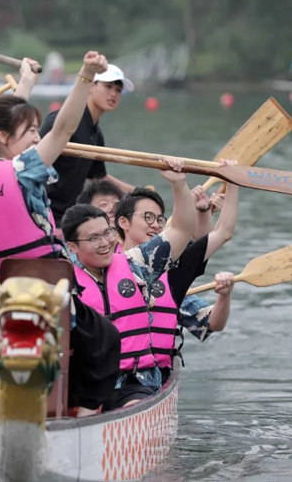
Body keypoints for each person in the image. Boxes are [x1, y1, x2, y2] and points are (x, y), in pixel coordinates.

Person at [0, 52, 120, 416]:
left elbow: (9, 123)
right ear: (4, 136)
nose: (38, 138)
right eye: (31, 132)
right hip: (46, 298)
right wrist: (85, 75)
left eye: (38, 131)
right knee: (105, 337)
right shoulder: (25, 169)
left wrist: (25, 82)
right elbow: (65, 129)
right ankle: (87, 414)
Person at [61, 157, 197, 410]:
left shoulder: (136, 263)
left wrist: (179, 185)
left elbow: (182, 228)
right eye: (93, 238)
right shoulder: (61, 276)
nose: (104, 243)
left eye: (107, 233)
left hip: (130, 382)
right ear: (72, 246)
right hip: (79, 383)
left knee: (131, 404)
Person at [114, 180, 239, 342]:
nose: (156, 225)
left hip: (159, 367)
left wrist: (232, 185)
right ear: (123, 222)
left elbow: (213, 323)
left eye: (160, 219)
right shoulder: (103, 266)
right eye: (148, 217)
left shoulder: (171, 273)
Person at [41, 63, 135, 223]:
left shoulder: (96, 134)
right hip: (44, 210)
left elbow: (99, 177)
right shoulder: (61, 122)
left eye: (118, 90)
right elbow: (32, 160)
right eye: (108, 86)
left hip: (67, 213)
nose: (114, 94)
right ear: (90, 86)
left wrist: (136, 192)